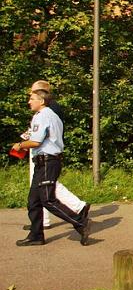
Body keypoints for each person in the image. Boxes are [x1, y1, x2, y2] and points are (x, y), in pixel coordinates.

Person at [12, 89, 92, 246]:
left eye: (32, 98)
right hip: (45, 162)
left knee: (48, 199)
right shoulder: (52, 115)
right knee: (33, 201)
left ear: (41, 101)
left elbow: (36, 142)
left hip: (48, 162)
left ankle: (80, 222)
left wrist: (20, 145)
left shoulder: (42, 116)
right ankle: (36, 235)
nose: (29, 101)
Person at [24, 81, 88, 230]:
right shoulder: (46, 111)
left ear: (42, 95)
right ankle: (36, 232)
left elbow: (39, 137)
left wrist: (22, 144)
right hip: (44, 155)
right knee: (36, 198)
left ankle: (79, 212)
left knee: (48, 196)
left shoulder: (48, 111)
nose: (29, 99)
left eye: (32, 95)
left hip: (47, 156)